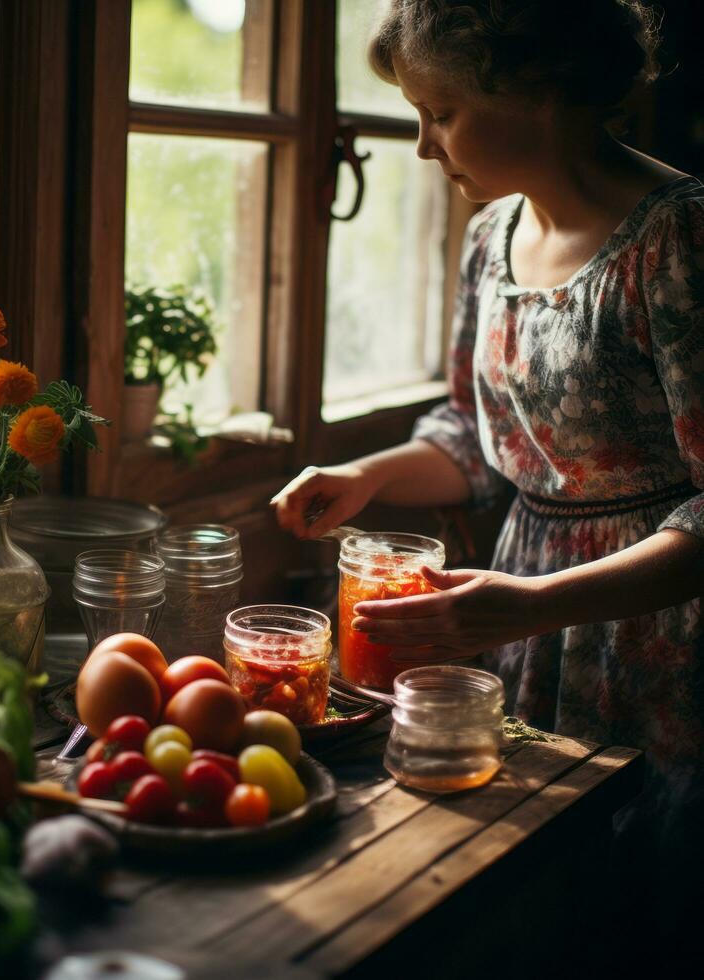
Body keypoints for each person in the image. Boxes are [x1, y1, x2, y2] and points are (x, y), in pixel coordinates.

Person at [271, 0, 704, 940]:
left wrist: (536, 603)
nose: (424, 145)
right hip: (518, 619)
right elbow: (475, 438)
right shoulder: (489, 239)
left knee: (654, 906)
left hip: (661, 638)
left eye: (442, 112)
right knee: (541, 901)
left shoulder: (679, 241)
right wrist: (366, 476)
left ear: (539, 92)